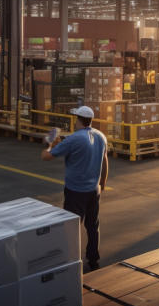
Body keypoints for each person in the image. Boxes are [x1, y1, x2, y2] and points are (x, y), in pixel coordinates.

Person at [42, 105, 109, 272]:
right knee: (93, 226)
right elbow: (105, 161)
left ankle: (71, 260)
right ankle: (93, 259)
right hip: (94, 191)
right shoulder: (101, 136)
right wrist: (102, 183)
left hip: (75, 192)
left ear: (77, 119)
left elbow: (47, 157)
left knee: (71, 228)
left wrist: (49, 144)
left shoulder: (73, 139)